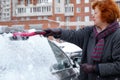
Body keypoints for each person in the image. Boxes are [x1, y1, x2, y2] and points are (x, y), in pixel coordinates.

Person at [43, 0, 120, 80]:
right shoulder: (90, 32)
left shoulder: (117, 36)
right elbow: (73, 35)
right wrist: (57, 32)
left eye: (96, 13)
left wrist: (95, 68)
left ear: (106, 14)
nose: (92, 15)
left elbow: (118, 66)